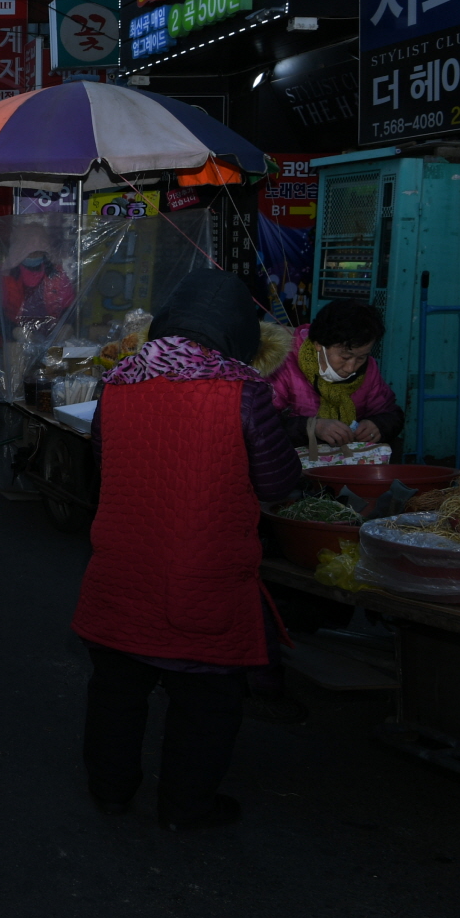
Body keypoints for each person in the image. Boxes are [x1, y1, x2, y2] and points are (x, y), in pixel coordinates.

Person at [73, 270, 301, 831]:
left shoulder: (119, 383)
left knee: (116, 692)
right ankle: (186, 807)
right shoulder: (245, 393)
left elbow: (102, 468)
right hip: (203, 578)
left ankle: (109, 792)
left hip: (122, 569)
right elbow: (277, 487)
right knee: (205, 703)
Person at [267, 299, 403, 452]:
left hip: (346, 465)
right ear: (319, 344)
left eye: (361, 358)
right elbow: (261, 425)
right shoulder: (283, 366)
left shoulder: (369, 369)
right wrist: (312, 427)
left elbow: (390, 412)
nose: (351, 367)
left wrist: (379, 425)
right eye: (344, 357)